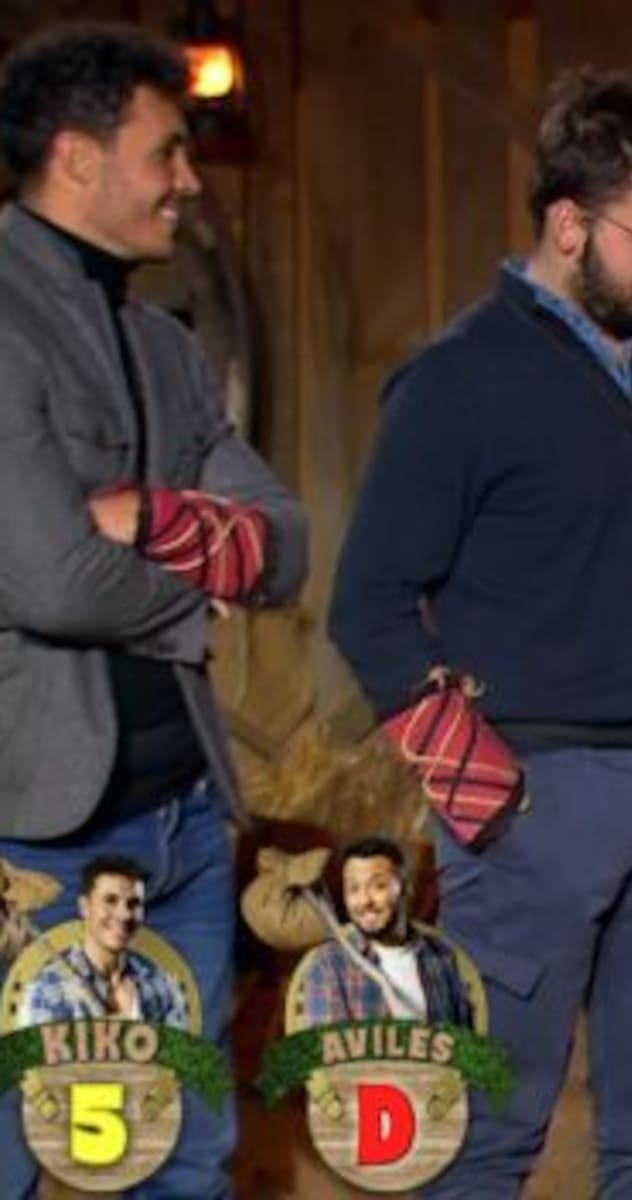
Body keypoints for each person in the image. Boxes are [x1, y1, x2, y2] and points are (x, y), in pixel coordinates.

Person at [329, 69, 632, 1200]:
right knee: (488, 1132)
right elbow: (367, 606)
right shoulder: (456, 383)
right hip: (538, 798)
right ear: (569, 224)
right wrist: (483, 799)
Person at [0, 21, 308, 1200]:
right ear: (78, 158)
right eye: (165, 152)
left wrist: (147, 513)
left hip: (180, 821)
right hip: (34, 839)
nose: (187, 180)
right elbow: (50, 578)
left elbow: (284, 543)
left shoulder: (167, 348)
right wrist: (193, 595)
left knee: (188, 1156)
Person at [296, 836, 473, 1029]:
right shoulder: (330, 965)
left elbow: (462, 1041)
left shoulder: (441, 958)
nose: (365, 901)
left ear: (406, 887)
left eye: (378, 886)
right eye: (353, 889)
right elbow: (326, 1046)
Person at [18, 855, 188, 1028]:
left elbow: (182, 1045)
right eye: (110, 900)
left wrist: (134, 1015)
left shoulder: (160, 985)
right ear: (85, 907)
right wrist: (131, 1024)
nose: (125, 914)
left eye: (134, 903)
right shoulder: (48, 990)